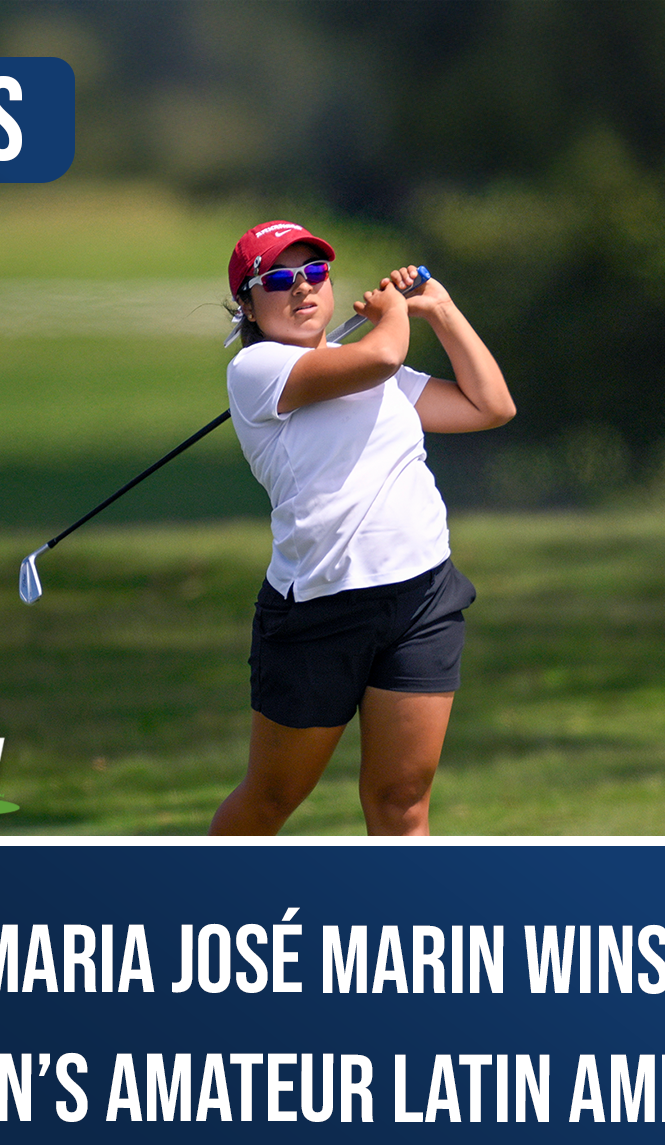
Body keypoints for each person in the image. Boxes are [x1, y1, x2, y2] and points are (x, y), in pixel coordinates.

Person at [209, 220, 515, 836]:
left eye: (314, 273)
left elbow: (491, 406)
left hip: (421, 599)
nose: (302, 289)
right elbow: (382, 354)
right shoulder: (258, 370)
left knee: (401, 801)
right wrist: (391, 313)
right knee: (270, 801)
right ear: (247, 302)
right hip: (318, 611)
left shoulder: (382, 375)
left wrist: (443, 312)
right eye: (278, 279)